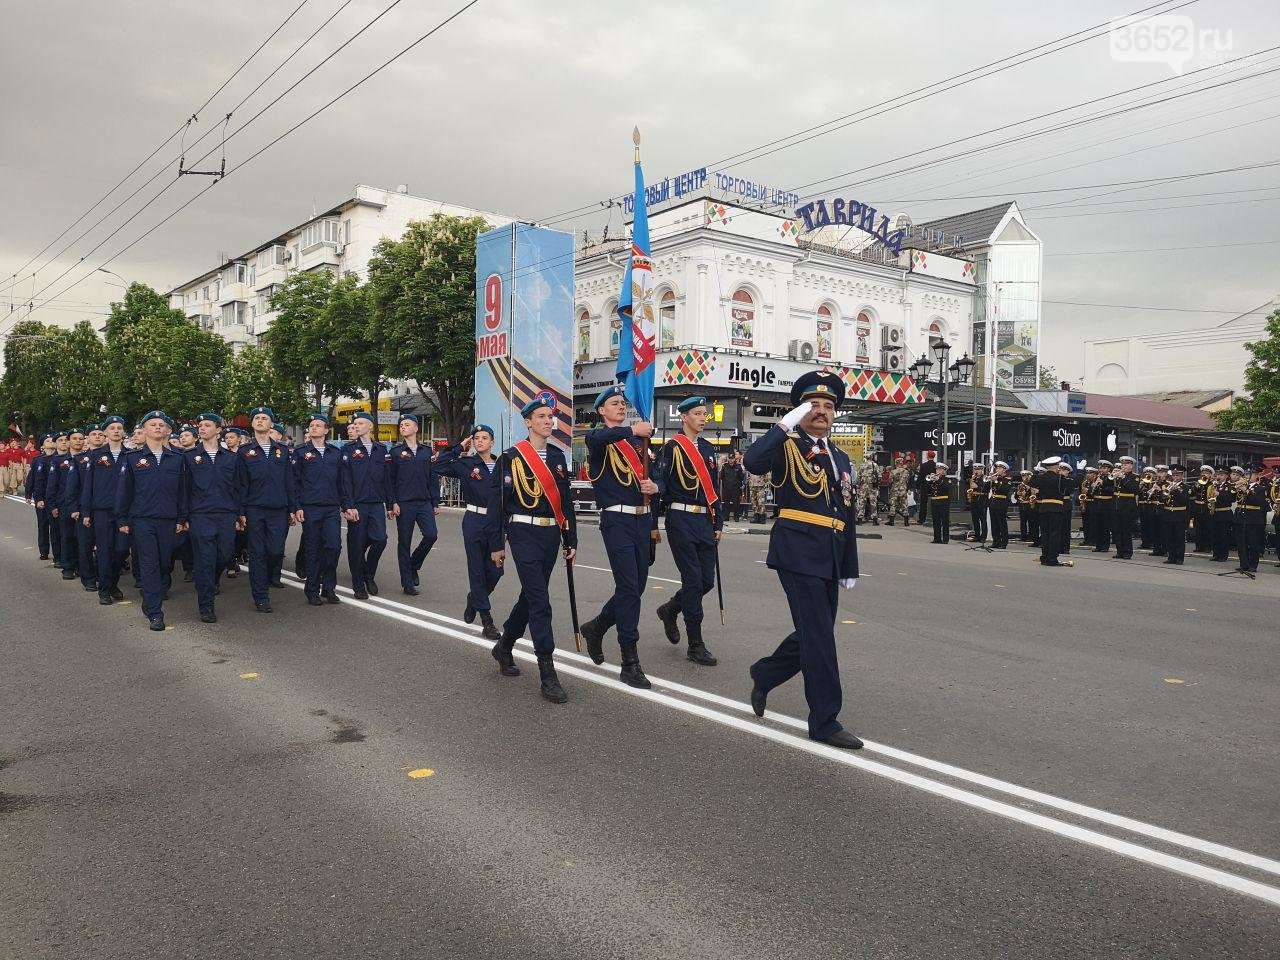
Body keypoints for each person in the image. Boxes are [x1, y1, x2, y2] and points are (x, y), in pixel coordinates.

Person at [743, 370, 861, 750]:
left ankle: (765, 673)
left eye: (828, 406)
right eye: (813, 405)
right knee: (821, 638)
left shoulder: (840, 457)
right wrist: (784, 424)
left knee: (816, 632)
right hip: (797, 550)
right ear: (800, 410)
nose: (822, 412)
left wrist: (849, 565)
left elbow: (846, 513)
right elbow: (753, 461)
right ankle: (824, 721)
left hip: (830, 553)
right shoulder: (786, 445)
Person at [485, 396, 578, 704]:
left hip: (551, 533)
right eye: (541, 416)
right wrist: (496, 544)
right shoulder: (511, 457)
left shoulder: (559, 457)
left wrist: (571, 539)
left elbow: (566, 503)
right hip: (522, 531)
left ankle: (505, 645)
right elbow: (496, 505)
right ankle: (547, 672)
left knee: (530, 595)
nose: (548, 421)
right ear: (527, 422)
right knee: (540, 600)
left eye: (550, 416)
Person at [578, 384, 662, 685]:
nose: (621, 407)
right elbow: (600, 436)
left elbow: (658, 475)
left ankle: (597, 627)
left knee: (635, 588)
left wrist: (656, 487)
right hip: (617, 520)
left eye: (622, 403)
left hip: (642, 520)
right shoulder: (600, 439)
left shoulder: (640, 443)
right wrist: (633, 431)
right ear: (602, 410)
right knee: (628, 588)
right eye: (614, 403)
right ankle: (629, 660)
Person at [655, 395, 722, 667]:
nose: (703, 418)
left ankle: (670, 609)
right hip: (680, 518)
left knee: (707, 581)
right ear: (683, 417)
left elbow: (715, 490)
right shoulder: (672, 448)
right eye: (697, 413)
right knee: (694, 580)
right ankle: (695, 643)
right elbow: (660, 484)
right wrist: (651, 525)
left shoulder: (707, 449)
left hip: (704, 520)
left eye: (705, 414)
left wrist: (718, 523)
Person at [115, 411, 188, 631]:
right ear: (144, 430)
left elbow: (182, 492)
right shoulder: (132, 459)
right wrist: (122, 518)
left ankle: (150, 599)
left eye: (161, 425)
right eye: (153, 424)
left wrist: (182, 517)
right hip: (142, 520)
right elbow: (124, 492)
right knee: (149, 564)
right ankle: (156, 613)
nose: (157, 428)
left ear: (167, 431)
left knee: (165, 563)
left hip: (168, 519)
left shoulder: (177, 458)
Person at [437, 424, 505, 640]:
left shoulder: (504, 466)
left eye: (485, 437)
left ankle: (475, 598)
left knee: (495, 572)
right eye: (476, 438)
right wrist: (458, 447)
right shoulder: (466, 464)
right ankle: (487, 621)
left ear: (492, 442)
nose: (480, 441)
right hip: (475, 520)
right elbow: (437, 465)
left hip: (498, 522)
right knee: (476, 569)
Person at [387, 413, 457, 596]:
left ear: (416, 428)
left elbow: (432, 478)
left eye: (407, 424)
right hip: (404, 503)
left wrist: (435, 501)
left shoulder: (427, 452)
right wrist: (392, 502)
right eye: (401, 425)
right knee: (404, 542)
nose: (403, 427)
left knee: (431, 535)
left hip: (424, 502)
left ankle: (413, 565)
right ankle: (407, 583)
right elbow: (390, 480)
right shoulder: (395, 453)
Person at [182, 412, 242, 623]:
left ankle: (213, 579)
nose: (202, 428)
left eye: (208, 425)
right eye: (201, 425)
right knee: (205, 559)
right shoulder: (189, 457)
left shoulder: (232, 458)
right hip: (201, 515)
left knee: (225, 556)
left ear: (218, 430)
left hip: (226, 514)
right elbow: (184, 489)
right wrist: (184, 516)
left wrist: (238, 514)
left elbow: (238, 488)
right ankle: (206, 606)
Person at [238, 406, 296, 614]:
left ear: (271, 424)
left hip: (278, 509)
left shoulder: (283, 451)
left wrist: (293, 507)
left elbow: (289, 481)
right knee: (257, 553)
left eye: (265, 418)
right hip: (254, 509)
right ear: (252, 424)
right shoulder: (245, 452)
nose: (260, 421)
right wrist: (241, 511)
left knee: (275, 551)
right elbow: (240, 484)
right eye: (257, 418)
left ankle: (269, 579)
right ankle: (261, 596)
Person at [293, 413, 347, 605]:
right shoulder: (300, 452)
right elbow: (295, 482)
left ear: (326, 430)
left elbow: (342, 482)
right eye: (312, 425)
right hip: (310, 507)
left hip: (331, 507)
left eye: (318, 425)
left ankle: (329, 587)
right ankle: (312, 589)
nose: (314, 427)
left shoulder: (335, 453)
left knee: (334, 547)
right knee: (313, 549)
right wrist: (297, 506)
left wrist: (346, 505)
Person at [339, 411, 392, 600]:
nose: (357, 426)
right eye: (356, 424)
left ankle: (368, 574)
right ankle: (358, 584)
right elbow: (344, 480)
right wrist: (347, 506)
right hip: (357, 504)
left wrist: (391, 504)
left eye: (361, 423)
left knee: (380, 540)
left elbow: (387, 479)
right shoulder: (348, 449)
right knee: (356, 544)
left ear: (370, 426)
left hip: (376, 503)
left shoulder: (381, 449)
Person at [80, 416, 129, 604]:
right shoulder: (95, 455)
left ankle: (112, 582)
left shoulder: (131, 455)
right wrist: (86, 511)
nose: (116, 431)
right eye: (112, 428)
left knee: (122, 550)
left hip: (124, 512)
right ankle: (104, 590)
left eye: (119, 427)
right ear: (106, 433)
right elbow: (88, 486)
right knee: (104, 551)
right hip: (102, 510)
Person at [1032, 456, 1070, 566]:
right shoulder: (1059, 478)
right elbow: (1072, 484)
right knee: (1054, 534)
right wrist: (1080, 471)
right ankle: (1052, 559)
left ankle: (1044, 557)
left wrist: (1035, 471)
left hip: (1044, 508)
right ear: (1056, 466)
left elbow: (1032, 482)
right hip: (1056, 508)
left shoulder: (1041, 477)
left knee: (1045, 534)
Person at [24, 433, 56, 560]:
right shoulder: (38, 460)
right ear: (42, 445)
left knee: (55, 528)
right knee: (42, 525)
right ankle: (44, 551)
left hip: (54, 498)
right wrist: (29, 494)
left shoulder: (59, 459)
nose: (50, 442)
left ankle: (57, 553)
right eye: (47, 441)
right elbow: (31, 479)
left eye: (52, 440)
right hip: (41, 498)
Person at [1235, 464, 1270, 573]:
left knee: (1253, 543)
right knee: (1242, 543)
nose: (1247, 476)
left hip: (1254, 519)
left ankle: (1253, 565)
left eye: (1250, 474)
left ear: (1256, 476)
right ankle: (1243, 564)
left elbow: (1258, 501)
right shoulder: (1242, 486)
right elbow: (1237, 500)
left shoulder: (1261, 488)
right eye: (1246, 474)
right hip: (1242, 517)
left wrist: (1246, 490)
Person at [1160, 466, 1190, 565]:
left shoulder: (1185, 487)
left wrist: (1177, 490)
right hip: (1168, 514)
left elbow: (1185, 501)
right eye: (1174, 475)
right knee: (1169, 537)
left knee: (1179, 538)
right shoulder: (1168, 486)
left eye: (1177, 475)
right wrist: (1164, 493)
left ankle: (1179, 558)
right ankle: (1171, 557)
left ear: (1182, 476)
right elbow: (1162, 500)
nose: (1175, 477)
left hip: (1179, 515)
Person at [1112, 456, 1140, 559]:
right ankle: (1120, 551)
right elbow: (1111, 488)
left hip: (1127, 506)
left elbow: (1134, 490)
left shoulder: (1135, 477)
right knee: (1117, 530)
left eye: (1126, 464)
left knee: (1126, 530)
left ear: (1131, 466)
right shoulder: (1117, 475)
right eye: (1122, 465)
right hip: (1117, 505)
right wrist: (1113, 477)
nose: (1123, 466)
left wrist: (1123, 478)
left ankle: (1127, 552)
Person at [1210, 466, 1237, 563]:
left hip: (1225, 513)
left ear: (1226, 476)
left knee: (1224, 535)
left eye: (1221, 475)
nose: (1219, 476)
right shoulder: (1214, 485)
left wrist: (1219, 494)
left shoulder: (1230, 486)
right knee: (1215, 535)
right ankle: (1216, 554)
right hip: (1215, 512)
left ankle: (1223, 555)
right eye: (1218, 474)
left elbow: (1232, 498)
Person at [1091, 459, 1115, 553]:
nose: (1102, 470)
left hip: (1107, 503)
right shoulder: (1097, 477)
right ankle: (1098, 545)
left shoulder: (1111, 478)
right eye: (1101, 468)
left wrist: (1103, 484)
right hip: (1097, 503)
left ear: (1109, 469)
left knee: (1105, 526)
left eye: (1104, 468)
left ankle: (1105, 546)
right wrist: (1093, 487)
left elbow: (1112, 490)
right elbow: (1091, 492)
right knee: (1097, 525)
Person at [987, 461, 1011, 548]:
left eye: (999, 468)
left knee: (1002, 523)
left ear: (1004, 470)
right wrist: (989, 481)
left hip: (1001, 503)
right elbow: (988, 489)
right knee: (994, 524)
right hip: (993, 502)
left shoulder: (1007, 479)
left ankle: (1004, 542)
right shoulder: (995, 478)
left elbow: (1004, 490)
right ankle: (995, 541)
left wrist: (996, 481)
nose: (997, 470)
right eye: (997, 468)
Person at [1191, 465, 1214, 554]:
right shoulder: (1198, 483)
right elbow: (1192, 494)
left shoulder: (1212, 484)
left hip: (1207, 507)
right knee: (1198, 527)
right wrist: (1196, 486)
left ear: (1211, 475)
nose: (1205, 475)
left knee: (1208, 527)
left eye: (1207, 473)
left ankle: (1208, 546)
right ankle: (1199, 546)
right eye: (1203, 473)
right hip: (1198, 507)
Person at [720, 452, 746, 523]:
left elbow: (741, 477)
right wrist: (725, 485)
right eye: (730, 458)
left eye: (732, 458)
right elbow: (722, 476)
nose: (731, 460)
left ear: (734, 459)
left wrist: (739, 484)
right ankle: (726, 517)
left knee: (736, 504)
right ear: (728, 459)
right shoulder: (724, 466)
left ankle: (736, 517)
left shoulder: (738, 466)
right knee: (726, 504)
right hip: (727, 488)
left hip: (735, 488)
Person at [928, 462, 950, 543]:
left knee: (944, 521)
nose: (938, 471)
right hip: (934, 501)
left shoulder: (947, 479)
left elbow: (946, 488)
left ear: (944, 471)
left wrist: (939, 480)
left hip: (943, 502)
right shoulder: (934, 479)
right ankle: (937, 538)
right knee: (936, 521)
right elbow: (930, 490)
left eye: (940, 469)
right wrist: (931, 481)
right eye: (937, 469)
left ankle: (945, 539)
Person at [965, 463, 988, 543]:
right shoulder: (973, 478)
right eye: (975, 470)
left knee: (983, 519)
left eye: (978, 469)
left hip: (982, 500)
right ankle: (977, 535)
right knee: (975, 519)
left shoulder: (985, 478)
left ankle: (983, 536)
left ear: (982, 470)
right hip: (974, 500)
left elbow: (986, 489)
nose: (977, 471)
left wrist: (977, 487)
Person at [885, 457, 910, 526]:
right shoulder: (906, 471)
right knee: (904, 505)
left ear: (896, 463)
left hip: (895, 490)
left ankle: (891, 521)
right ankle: (906, 522)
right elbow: (907, 480)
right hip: (903, 490)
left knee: (893, 505)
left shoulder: (893, 472)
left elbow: (890, 481)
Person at [856, 455, 879, 524]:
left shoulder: (862, 465)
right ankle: (874, 519)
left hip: (863, 486)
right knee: (873, 502)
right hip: (872, 486)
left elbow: (859, 477)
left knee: (862, 502)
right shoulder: (875, 465)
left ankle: (860, 518)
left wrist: (858, 486)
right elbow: (878, 475)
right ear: (871, 457)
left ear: (866, 458)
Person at [1016, 469, 1035, 542]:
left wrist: (1028, 490)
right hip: (1022, 504)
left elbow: (1034, 494)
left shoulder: (1032, 485)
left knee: (1031, 521)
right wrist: (1017, 494)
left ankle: (1031, 536)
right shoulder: (1020, 485)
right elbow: (1016, 496)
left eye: (1026, 476)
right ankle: (1023, 536)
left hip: (1029, 504)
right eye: (1023, 476)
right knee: (1023, 521)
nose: (1024, 478)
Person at [915, 455, 934, 523]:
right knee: (934, 503)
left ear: (927, 456)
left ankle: (922, 519)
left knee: (923, 504)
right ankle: (934, 518)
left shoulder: (923, 465)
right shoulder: (935, 465)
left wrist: (917, 486)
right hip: (933, 487)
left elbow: (920, 476)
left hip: (924, 487)